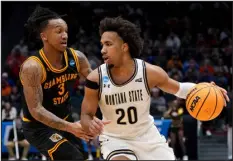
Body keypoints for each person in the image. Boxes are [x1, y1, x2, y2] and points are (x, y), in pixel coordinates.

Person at [80, 17, 229, 160]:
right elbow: (86, 114)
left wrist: (206, 89)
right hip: (115, 139)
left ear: (124, 47)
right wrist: (89, 124)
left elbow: (179, 88)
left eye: (108, 44)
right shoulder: (95, 78)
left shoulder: (148, 72)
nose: (102, 50)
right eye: (102, 44)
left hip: (147, 137)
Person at [19, 6, 93, 160]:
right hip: (38, 127)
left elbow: (96, 84)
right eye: (59, 31)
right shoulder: (33, 67)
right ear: (44, 36)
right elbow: (36, 110)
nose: (64, 35)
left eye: (66, 31)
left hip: (65, 119)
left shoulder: (77, 58)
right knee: (74, 158)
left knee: (82, 157)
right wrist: (71, 127)